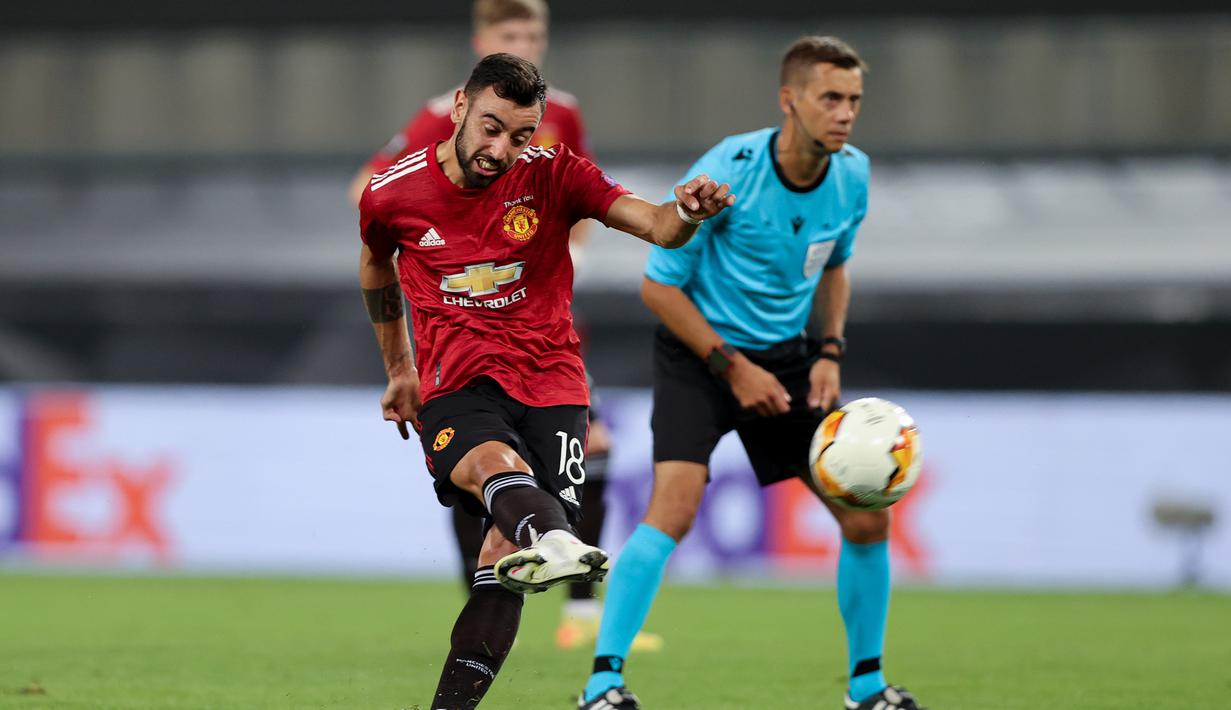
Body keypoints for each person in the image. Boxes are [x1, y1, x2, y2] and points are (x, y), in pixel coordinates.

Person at [357, 54, 733, 709]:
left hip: (553, 387)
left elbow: (657, 226)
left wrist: (689, 211)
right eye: (491, 128)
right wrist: (399, 369)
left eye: (520, 136)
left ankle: (531, 556)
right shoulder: (393, 192)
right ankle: (554, 536)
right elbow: (375, 267)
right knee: (491, 467)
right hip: (457, 385)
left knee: (499, 567)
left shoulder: (556, 175)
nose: (501, 149)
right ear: (459, 108)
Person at [578, 37, 928, 710]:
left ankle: (867, 688)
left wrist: (828, 352)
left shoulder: (852, 174)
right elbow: (658, 289)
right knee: (672, 511)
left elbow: (832, 266)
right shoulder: (728, 171)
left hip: (789, 363)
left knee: (866, 519)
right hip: (699, 355)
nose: (844, 114)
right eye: (829, 98)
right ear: (788, 100)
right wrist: (730, 366)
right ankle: (602, 684)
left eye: (853, 100)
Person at [351, 0, 652, 652]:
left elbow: (594, 197)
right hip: (457, 347)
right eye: (511, 33)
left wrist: (559, 245)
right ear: (478, 48)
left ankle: (576, 604)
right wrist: (448, 254)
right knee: (482, 469)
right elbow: (372, 201)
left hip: (543, 332)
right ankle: (513, 569)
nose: (526, 42)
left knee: (586, 447)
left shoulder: (558, 115)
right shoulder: (431, 121)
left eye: (534, 33)